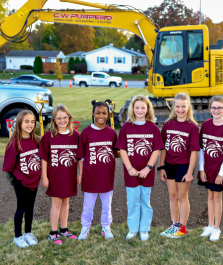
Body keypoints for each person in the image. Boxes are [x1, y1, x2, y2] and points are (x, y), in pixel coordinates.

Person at [115, 95, 164, 241]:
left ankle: (144, 229)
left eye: (143, 107)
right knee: (132, 200)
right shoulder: (126, 127)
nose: (140, 110)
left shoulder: (153, 127)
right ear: (132, 109)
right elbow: (122, 149)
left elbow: (157, 150)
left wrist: (148, 168)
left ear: (148, 109)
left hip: (146, 172)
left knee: (145, 201)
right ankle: (133, 229)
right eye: (137, 107)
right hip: (131, 172)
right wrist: (129, 168)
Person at [39, 105, 81, 245]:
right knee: (56, 203)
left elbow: (80, 157)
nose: (62, 120)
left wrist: (80, 173)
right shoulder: (48, 136)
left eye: (65, 117)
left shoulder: (75, 135)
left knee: (66, 201)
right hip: (55, 176)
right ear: (54, 119)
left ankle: (64, 229)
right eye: (59, 118)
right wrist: (44, 177)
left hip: (69, 175)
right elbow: (44, 158)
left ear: (69, 118)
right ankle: (53, 232)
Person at [159, 93, 199, 238]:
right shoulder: (168, 124)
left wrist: (189, 172)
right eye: (178, 106)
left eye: (183, 106)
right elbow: (163, 147)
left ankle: (182, 228)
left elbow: (194, 152)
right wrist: (161, 166)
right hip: (169, 165)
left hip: (184, 166)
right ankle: (174, 225)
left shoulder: (192, 127)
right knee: (172, 195)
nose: (180, 109)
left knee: (182, 196)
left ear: (188, 107)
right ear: (173, 107)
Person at [77, 101, 117, 241]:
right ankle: (85, 227)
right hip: (90, 176)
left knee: (107, 205)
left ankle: (106, 227)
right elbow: (81, 157)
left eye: (104, 113)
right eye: (98, 113)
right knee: (88, 206)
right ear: (93, 113)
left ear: (108, 114)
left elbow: (116, 152)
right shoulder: (86, 132)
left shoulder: (112, 132)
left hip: (106, 176)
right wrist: (81, 174)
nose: (101, 116)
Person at [198, 96, 223, 241]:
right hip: (207, 168)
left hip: (220, 170)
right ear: (210, 109)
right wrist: (201, 169)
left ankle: (216, 228)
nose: (216, 110)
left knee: (217, 198)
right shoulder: (206, 125)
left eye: (219, 107)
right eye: (214, 107)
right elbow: (201, 148)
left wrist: (221, 173)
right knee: (209, 196)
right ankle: (209, 225)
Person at [3, 110, 41, 248]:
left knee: (30, 208)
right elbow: (8, 168)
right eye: (26, 121)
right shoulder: (14, 143)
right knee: (21, 208)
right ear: (19, 123)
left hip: (34, 180)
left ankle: (28, 233)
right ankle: (17, 236)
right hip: (21, 181)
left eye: (32, 121)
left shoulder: (37, 140)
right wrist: (16, 182)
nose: (30, 124)